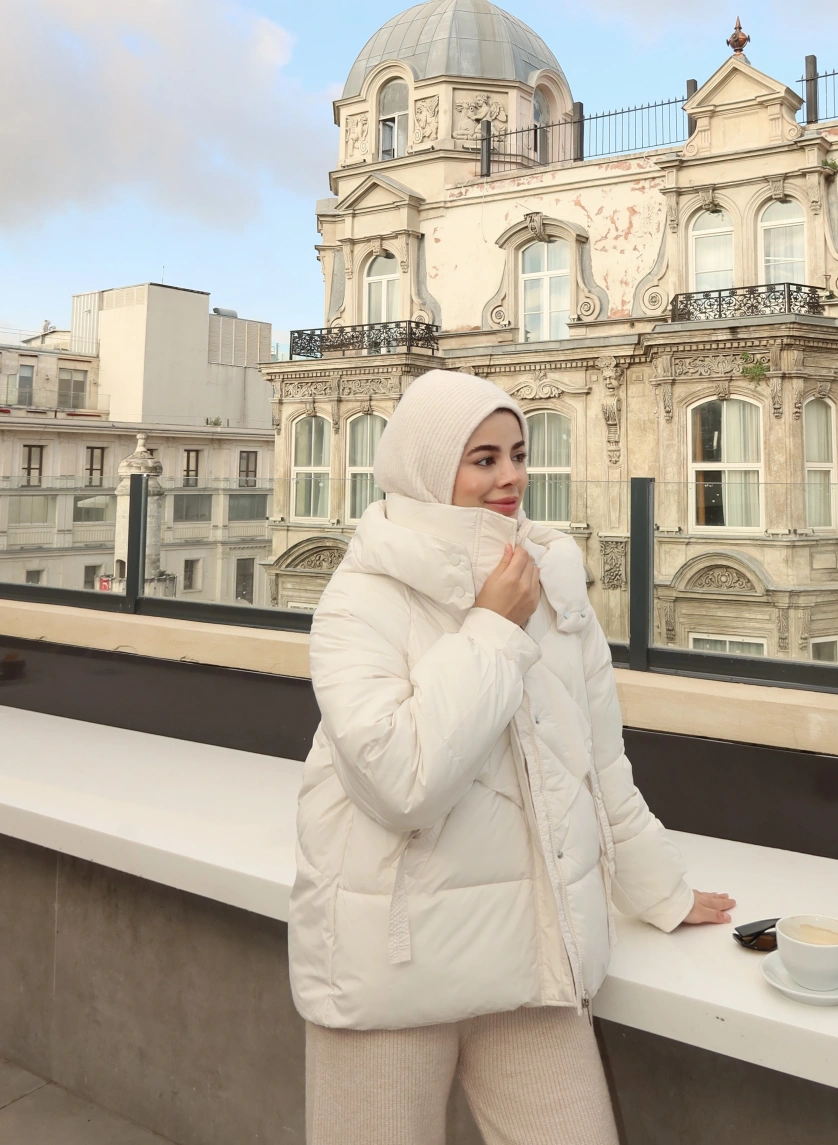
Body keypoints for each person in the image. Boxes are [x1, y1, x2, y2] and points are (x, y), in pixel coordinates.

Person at [289, 370, 734, 1145]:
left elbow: (598, 763)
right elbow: (401, 781)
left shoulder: (549, 574)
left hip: (533, 954)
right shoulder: (361, 594)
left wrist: (659, 889)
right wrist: (493, 628)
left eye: (519, 454)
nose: (512, 477)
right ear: (427, 467)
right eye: (484, 458)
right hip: (387, 968)